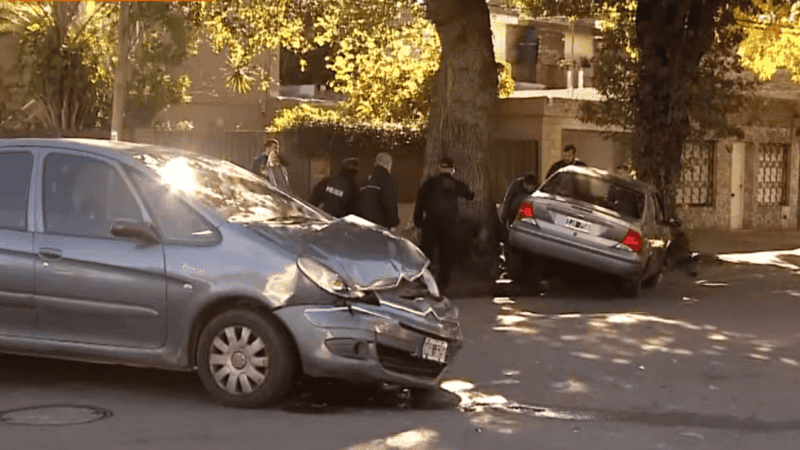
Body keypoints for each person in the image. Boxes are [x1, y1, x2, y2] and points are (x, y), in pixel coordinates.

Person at [413, 156, 474, 293]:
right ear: (452, 170)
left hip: (431, 222)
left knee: (426, 252)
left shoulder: (430, 183)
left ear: (440, 167)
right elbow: (470, 195)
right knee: (446, 253)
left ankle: (423, 280)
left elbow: (420, 200)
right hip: (449, 223)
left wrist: (418, 220)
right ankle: (443, 282)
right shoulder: (456, 184)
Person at [357, 152, 400, 230]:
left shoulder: (365, 182)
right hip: (380, 228)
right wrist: (394, 223)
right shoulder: (388, 181)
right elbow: (391, 204)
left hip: (363, 225)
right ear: (389, 164)